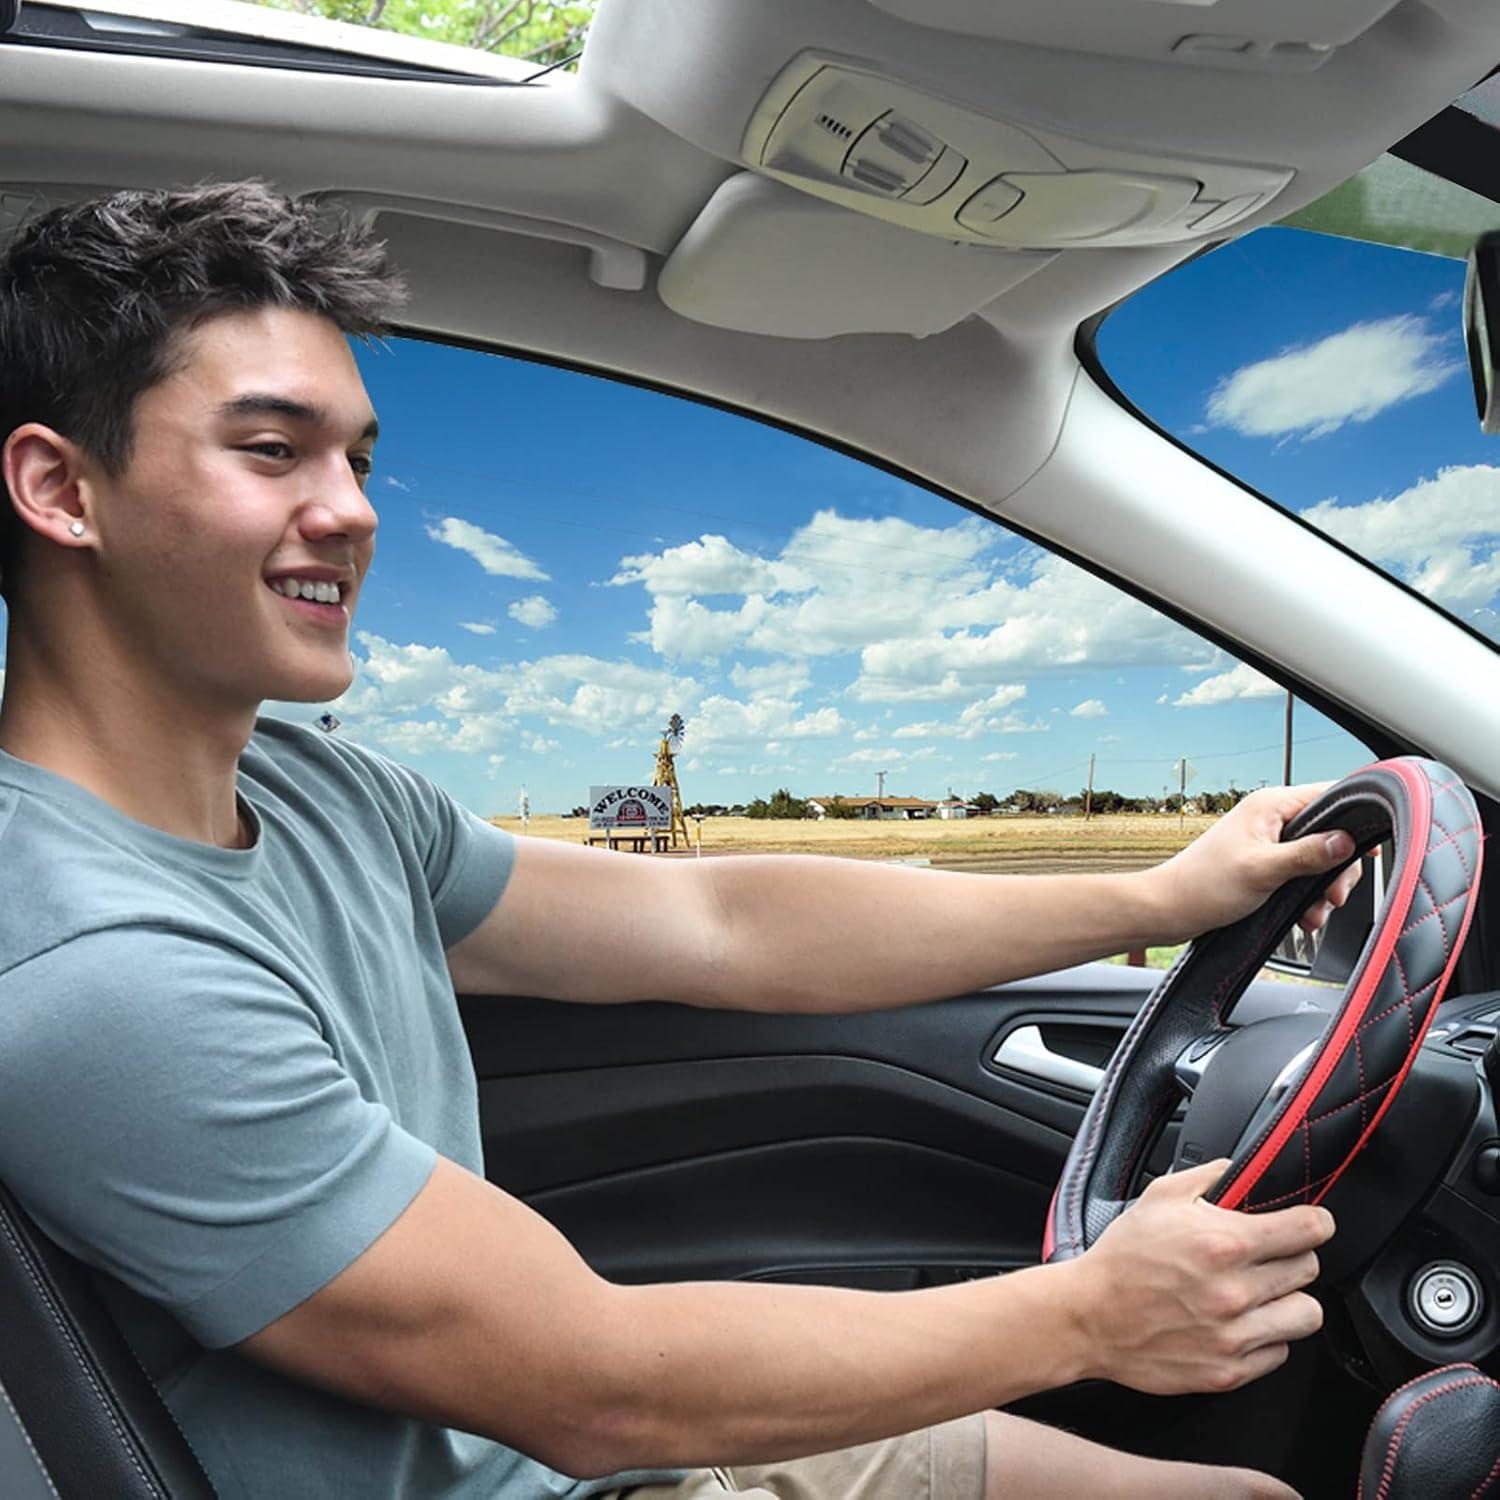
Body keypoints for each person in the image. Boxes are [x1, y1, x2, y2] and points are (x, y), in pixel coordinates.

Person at [0, 184, 1356, 1500]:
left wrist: (1167, 887)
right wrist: (1091, 1316)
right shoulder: (91, 967)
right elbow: (590, 1384)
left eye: (357, 458)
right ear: (63, 491)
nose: (353, 509)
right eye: (271, 449)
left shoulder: (327, 799)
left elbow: (721, 924)